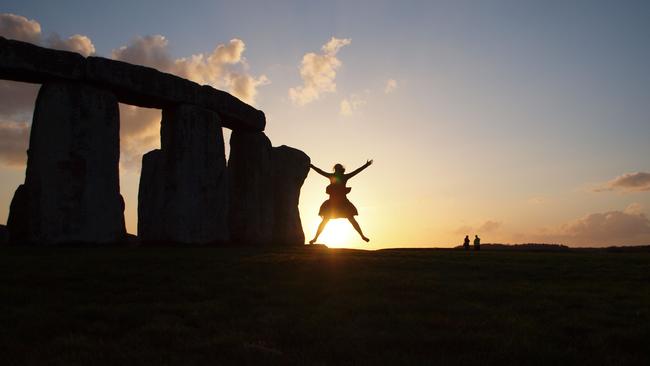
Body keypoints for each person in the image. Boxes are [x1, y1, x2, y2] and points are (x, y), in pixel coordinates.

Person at [309, 160, 373, 244]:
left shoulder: (343, 177)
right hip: (333, 202)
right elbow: (320, 171)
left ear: (340, 170)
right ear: (335, 170)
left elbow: (356, 171)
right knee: (326, 220)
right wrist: (311, 166)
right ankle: (315, 238)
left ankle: (362, 236)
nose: (336, 170)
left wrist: (366, 165)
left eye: (337, 169)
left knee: (350, 219)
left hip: (341, 202)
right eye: (336, 169)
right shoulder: (334, 176)